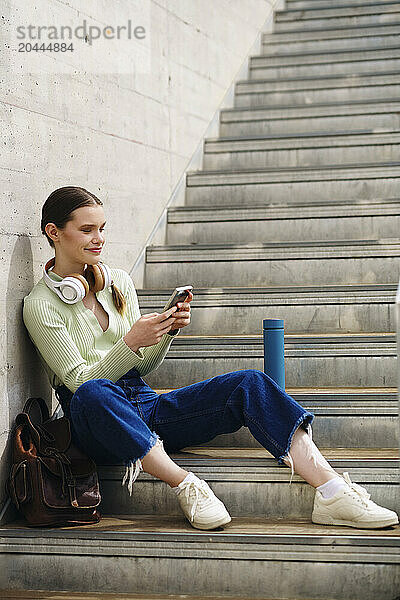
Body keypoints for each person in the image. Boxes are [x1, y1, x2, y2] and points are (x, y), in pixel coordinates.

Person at [22, 186, 398, 531]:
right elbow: (79, 383)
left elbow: (143, 368)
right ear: (54, 232)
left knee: (250, 382)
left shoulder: (117, 281)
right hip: (96, 417)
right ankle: (186, 485)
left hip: (145, 404)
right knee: (95, 393)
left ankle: (333, 493)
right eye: (87, 230)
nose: (99, 239)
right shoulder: (40, 305)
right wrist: (131, 343)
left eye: (102, 228)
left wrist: (165, 333)